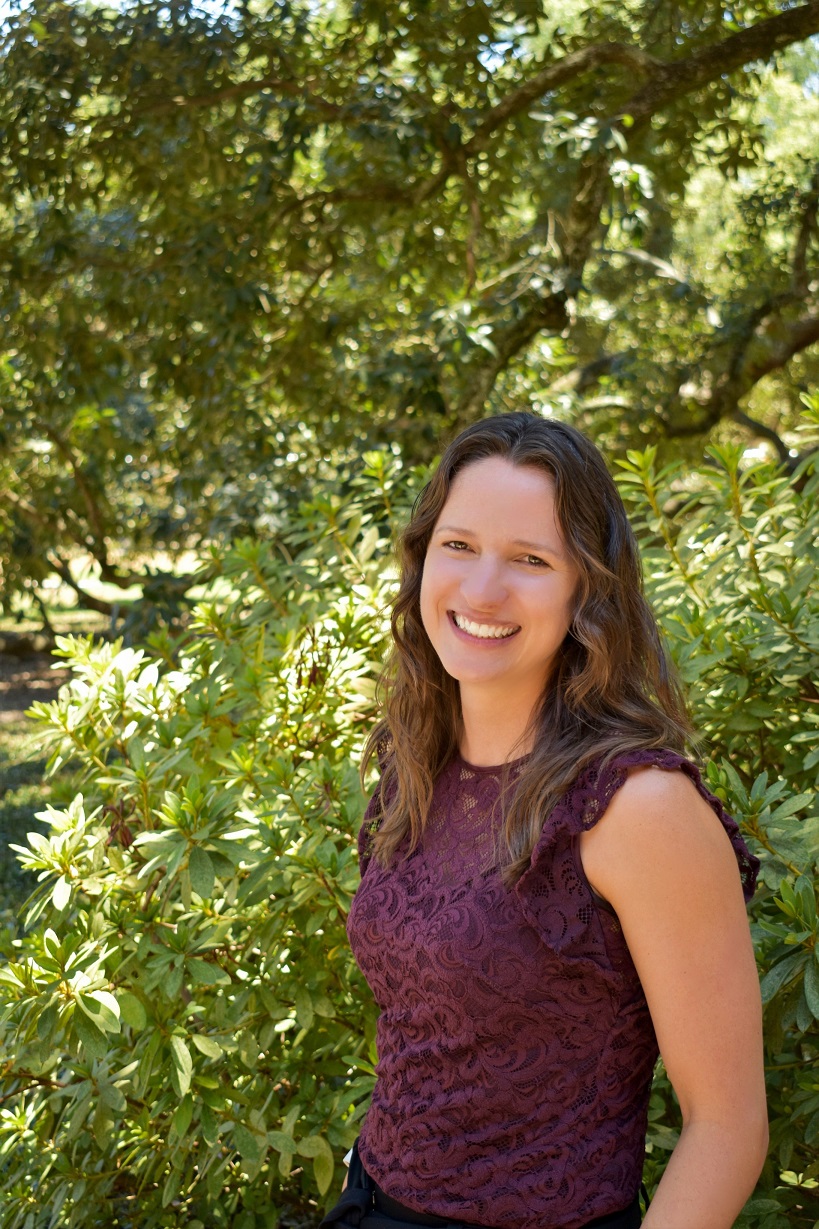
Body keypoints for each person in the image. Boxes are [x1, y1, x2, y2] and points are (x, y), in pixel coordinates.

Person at [322, 412, 767, 1229]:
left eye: (530, 559)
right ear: (422, 558)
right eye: (458, 545)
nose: (481, 590)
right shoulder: (416, 762)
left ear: (585, 590)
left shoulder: (637, 807)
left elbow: (727, 1127)